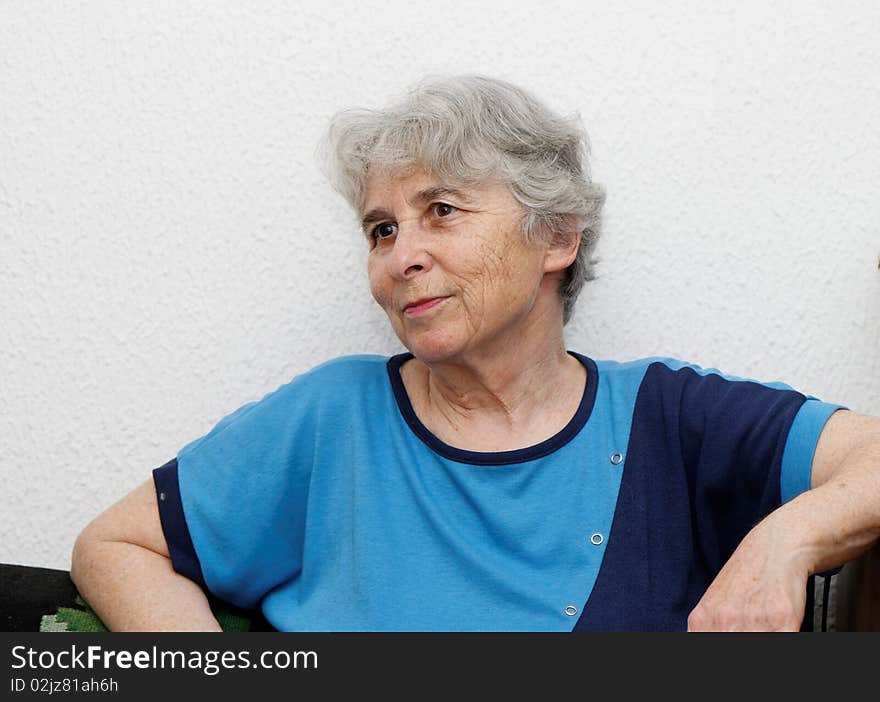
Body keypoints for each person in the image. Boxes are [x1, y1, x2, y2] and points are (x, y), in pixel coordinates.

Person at [70, 74, 880, 632]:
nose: (400, 256)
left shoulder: (672, 417)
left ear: (557, 236)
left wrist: (787, 538)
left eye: (442, 210)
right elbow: (115, 546)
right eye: (382, 229)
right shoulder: (330, 416)